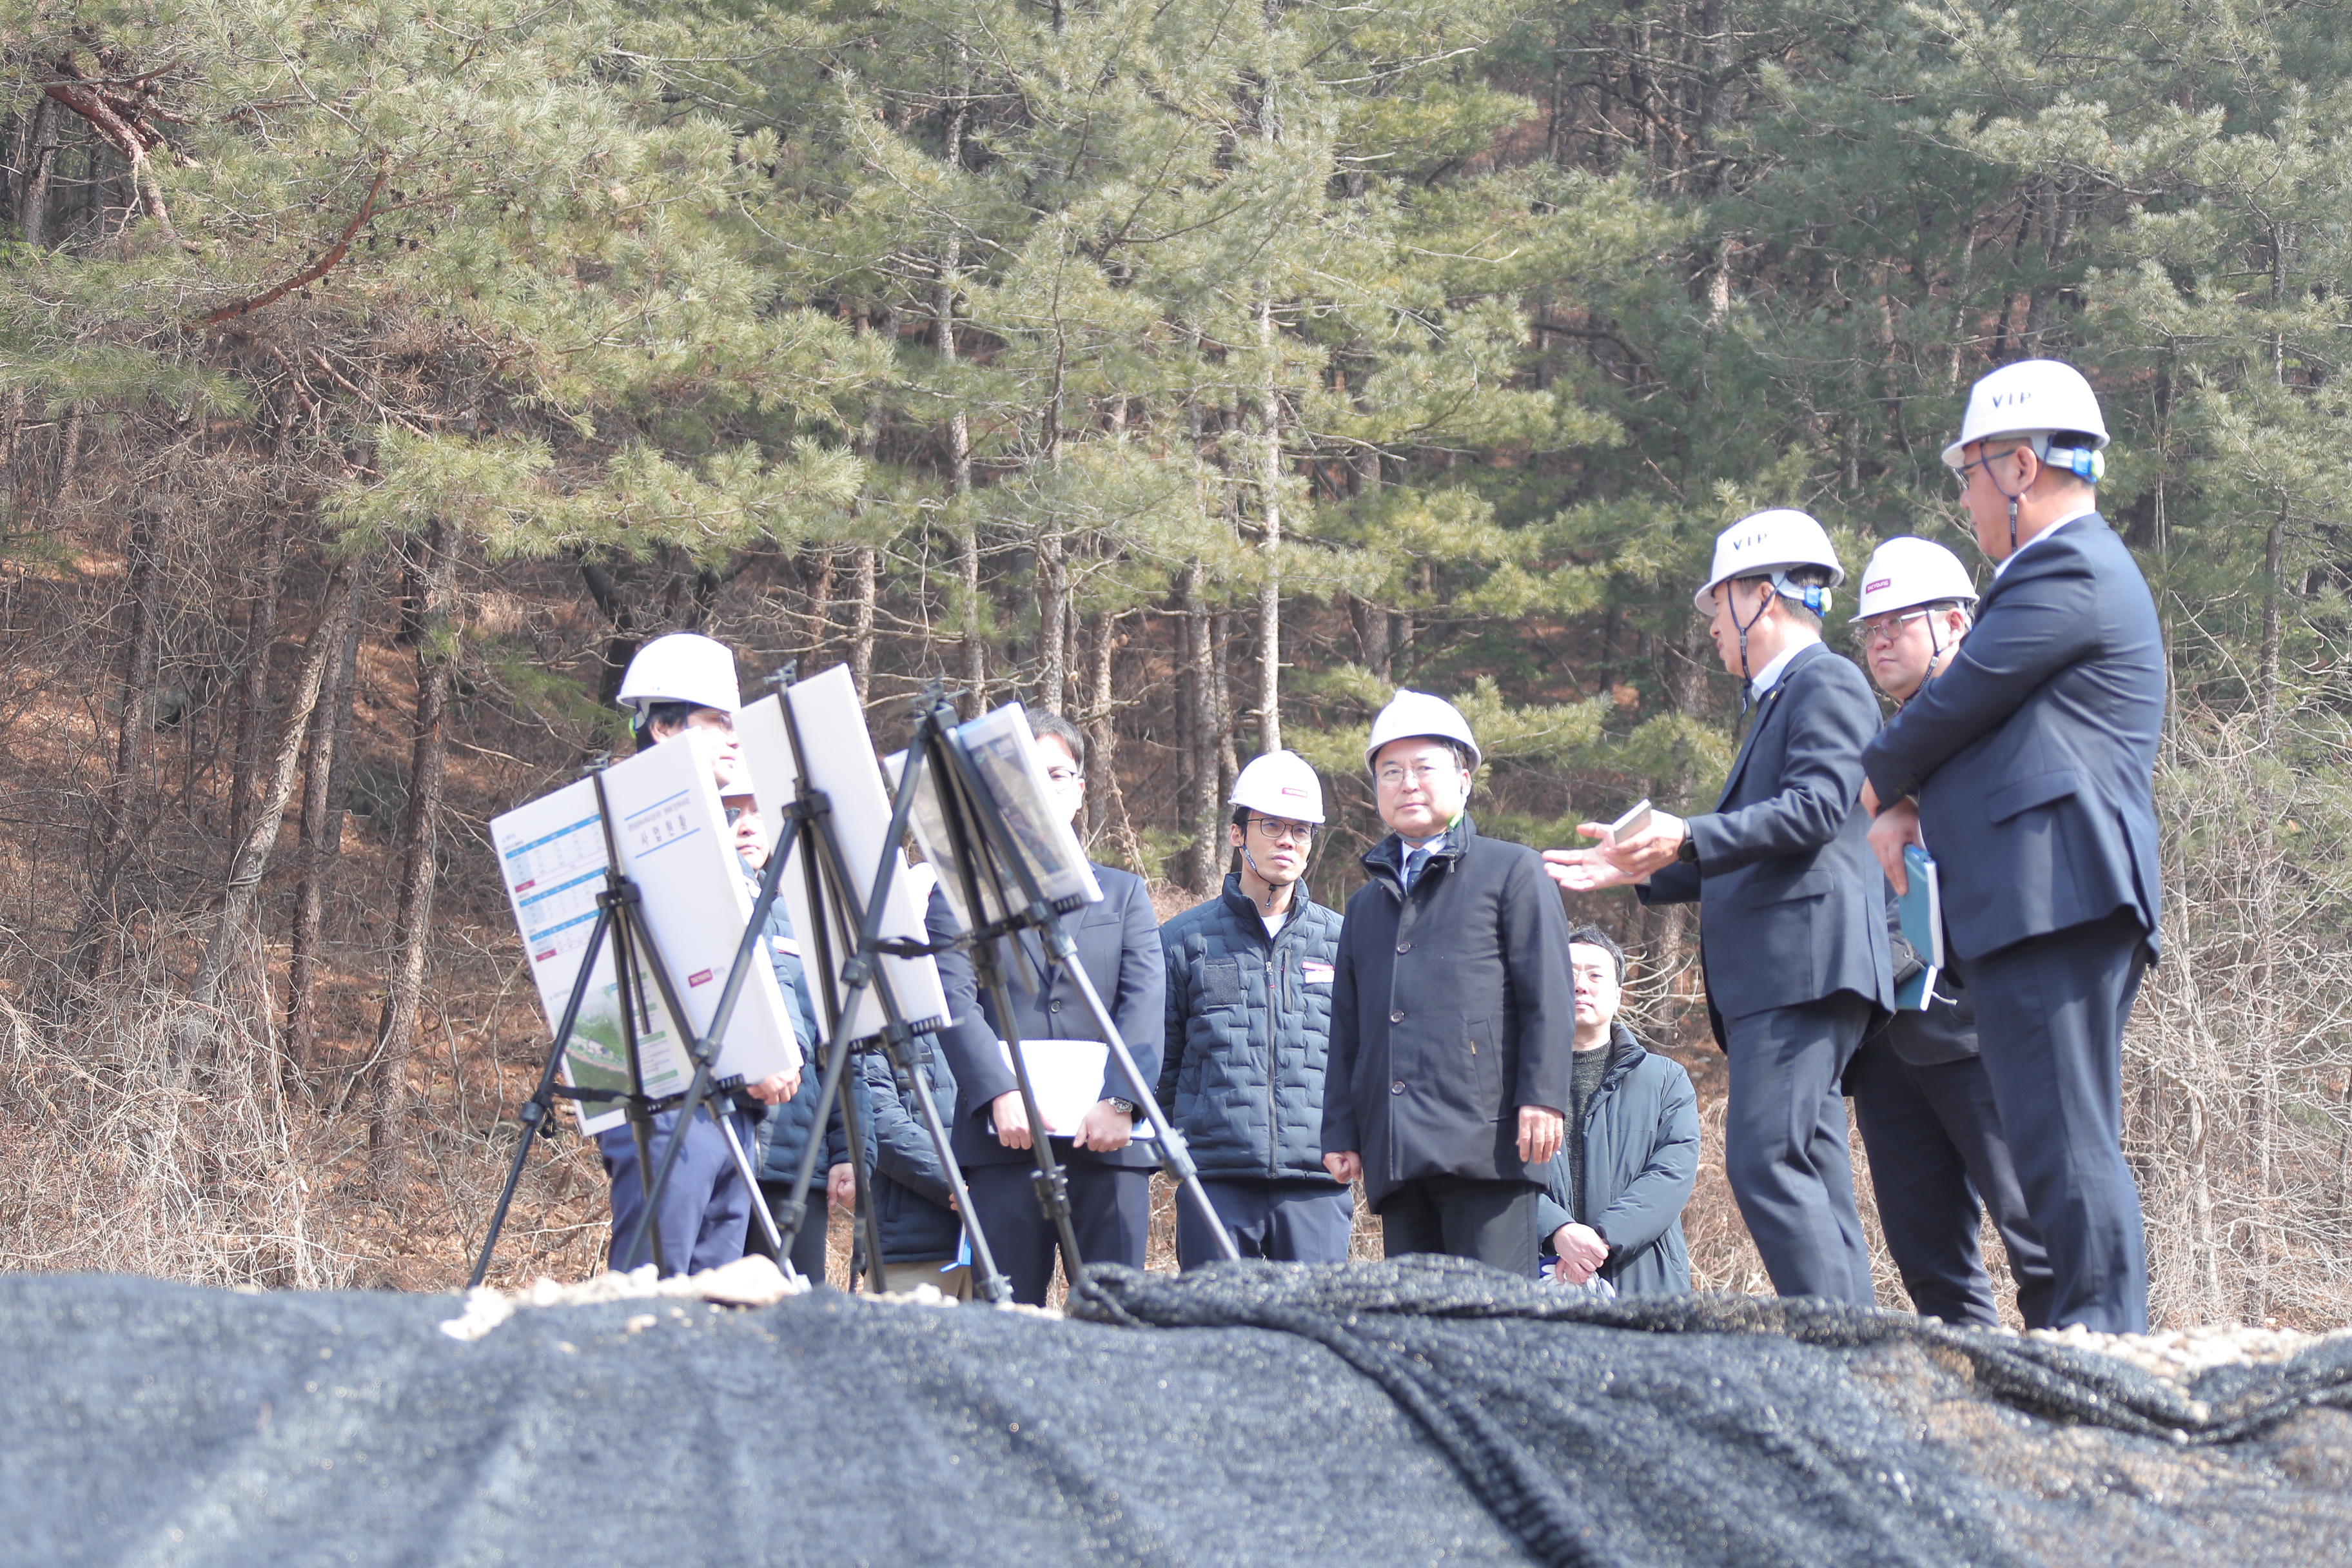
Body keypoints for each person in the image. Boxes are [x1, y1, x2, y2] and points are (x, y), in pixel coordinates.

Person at [1859, 360, 2163, 1333]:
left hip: (2054, 894)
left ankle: (2101, 1339)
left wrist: (1871, 790)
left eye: (1970, 474)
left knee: (2066, 1138)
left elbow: (1951, 706)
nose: (1964, 498)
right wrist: (1913, 805)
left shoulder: (2063, 568)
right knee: (2053, 1134)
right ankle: (2087, 1329)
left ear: (2021, 466)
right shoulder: (2060, 577)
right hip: (2043, 897)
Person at [1545, 511, 1892, 1306]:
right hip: (1791, 973)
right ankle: (1855, 1348)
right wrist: (1636, 866)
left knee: (1769, 1158)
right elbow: (1755, 849)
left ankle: (1841, 1353)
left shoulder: (1825, 680)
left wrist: (1687, 833)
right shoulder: (1778, 701)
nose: (1709, 630)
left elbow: (1812, 811)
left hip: (1802, 970)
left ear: (1758, 596)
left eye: (1715, 608)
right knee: (1805, 1164)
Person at [1843, 537, 2053, 1327]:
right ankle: (1975, 1424)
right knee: (1929, 1262)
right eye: (1870, 628)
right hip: (1888, 1033)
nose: (1882, 639)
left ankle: (2085, 1406)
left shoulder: (2001, 720)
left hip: (1980, 1021)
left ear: (1959, 621)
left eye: (1899, 621)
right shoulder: (1881, 750)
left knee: (2038, 1233)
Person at [1322, 691, 1573, 1276]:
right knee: (1417, 1328)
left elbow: (1548, 996)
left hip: (1486, 1145)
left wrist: (1541, 1096)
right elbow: (1348, 1027)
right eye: (1390, 772)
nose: (1407, 783)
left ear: (1464, 779)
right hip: (1398, 1152)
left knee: (1492, 1323)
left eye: (1423, 768)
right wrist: (1341, 1128)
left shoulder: (1511, 871)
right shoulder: (1365, 905)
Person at [928, 709, 1164, 1306]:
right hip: (1002, 1143)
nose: (1039, 789)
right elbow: (952, 1000)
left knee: (1115, 1326)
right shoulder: (960, 896)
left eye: (1055, 775)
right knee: (1004, 1332)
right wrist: (998, 1092)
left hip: (1109, 1144)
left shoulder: (1125, 893)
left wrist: (1122, 1101)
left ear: (1080, 792)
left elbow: (1144, 1004)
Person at [599, 632, 798, 1276]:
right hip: (664, 1107)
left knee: (712, 1315)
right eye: (717, 722)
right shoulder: (628, 829)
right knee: (651, 1304)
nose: (735, 738)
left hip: (731, 1111)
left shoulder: (722, 843)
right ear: (663, 726)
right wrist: (750, 1062)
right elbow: (666, 978)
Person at [1157, 750, 1351, 1268]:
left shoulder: (1345, 942)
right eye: (1271, 826)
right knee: (1216, 1339)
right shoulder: (1183, 940)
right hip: (1215, 1182)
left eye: (1301, 830)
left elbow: (1366, 1057)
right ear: (1238, 834)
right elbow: (1163, 1060)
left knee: (1316, 1339)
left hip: (1318, 1183)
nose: (1288, 840)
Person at [1536, 926, 1699, 1297]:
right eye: (1567, 974)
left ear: (1618, 995)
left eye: (1596, 975)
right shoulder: (1511, 1081)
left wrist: (1599, 1242)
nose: (1580, 985)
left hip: (1643, 1277)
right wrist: (1557, 1231)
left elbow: (1671, 1174)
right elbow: (1494, 1170)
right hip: (1535, 1274)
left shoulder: (1666, 1080)